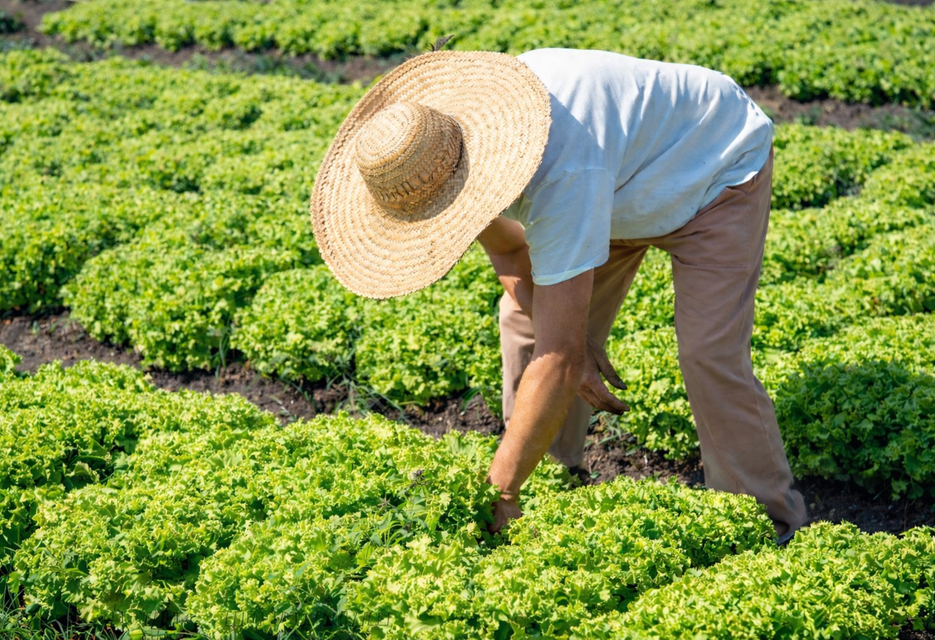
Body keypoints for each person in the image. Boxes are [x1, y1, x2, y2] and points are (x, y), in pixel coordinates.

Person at [310, 47, 807, 545]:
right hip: (613, 181)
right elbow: (509, 253)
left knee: (708, 353)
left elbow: (559, 356)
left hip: (713, 169)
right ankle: (549, 473)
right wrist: (569, 341)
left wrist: (500, 487)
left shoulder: (556, 165)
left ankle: (766, 521)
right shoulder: (447, 154)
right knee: (525, 321)